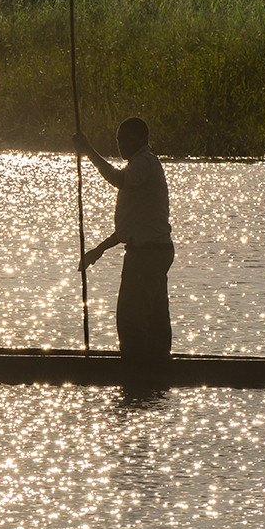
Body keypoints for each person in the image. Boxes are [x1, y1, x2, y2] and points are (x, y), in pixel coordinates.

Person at [73, 117, 174, 359]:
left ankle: (137, 373)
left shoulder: (143, 163)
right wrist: (98, 250)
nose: (120, 145)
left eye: (125, 140)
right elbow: (129, 229)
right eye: (118, 141)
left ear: (140, 140)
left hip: (147, 255)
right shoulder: (141, 168)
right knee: (154, 316)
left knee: (131, 317)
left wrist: (88, 152)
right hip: (153, 251)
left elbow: (119, 180)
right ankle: (156, 373)